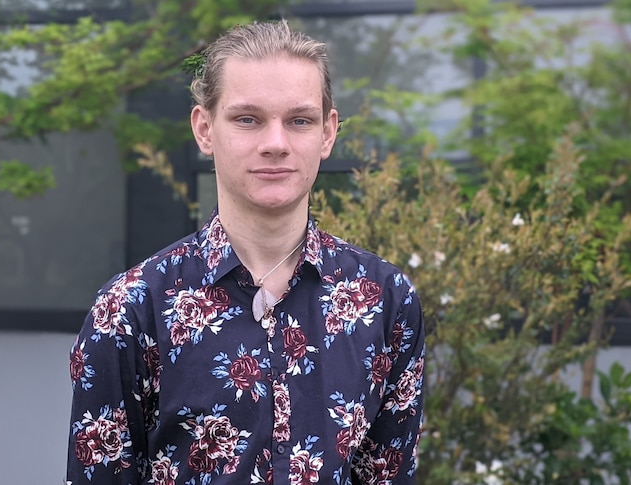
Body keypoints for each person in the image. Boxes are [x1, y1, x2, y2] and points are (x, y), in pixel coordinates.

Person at [66, 19, 425, 485]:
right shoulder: (131, 310)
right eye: (248, 119)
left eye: (299, 120)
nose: (275, 144)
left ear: (328, 133)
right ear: (205, 129)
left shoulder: (385, 300)